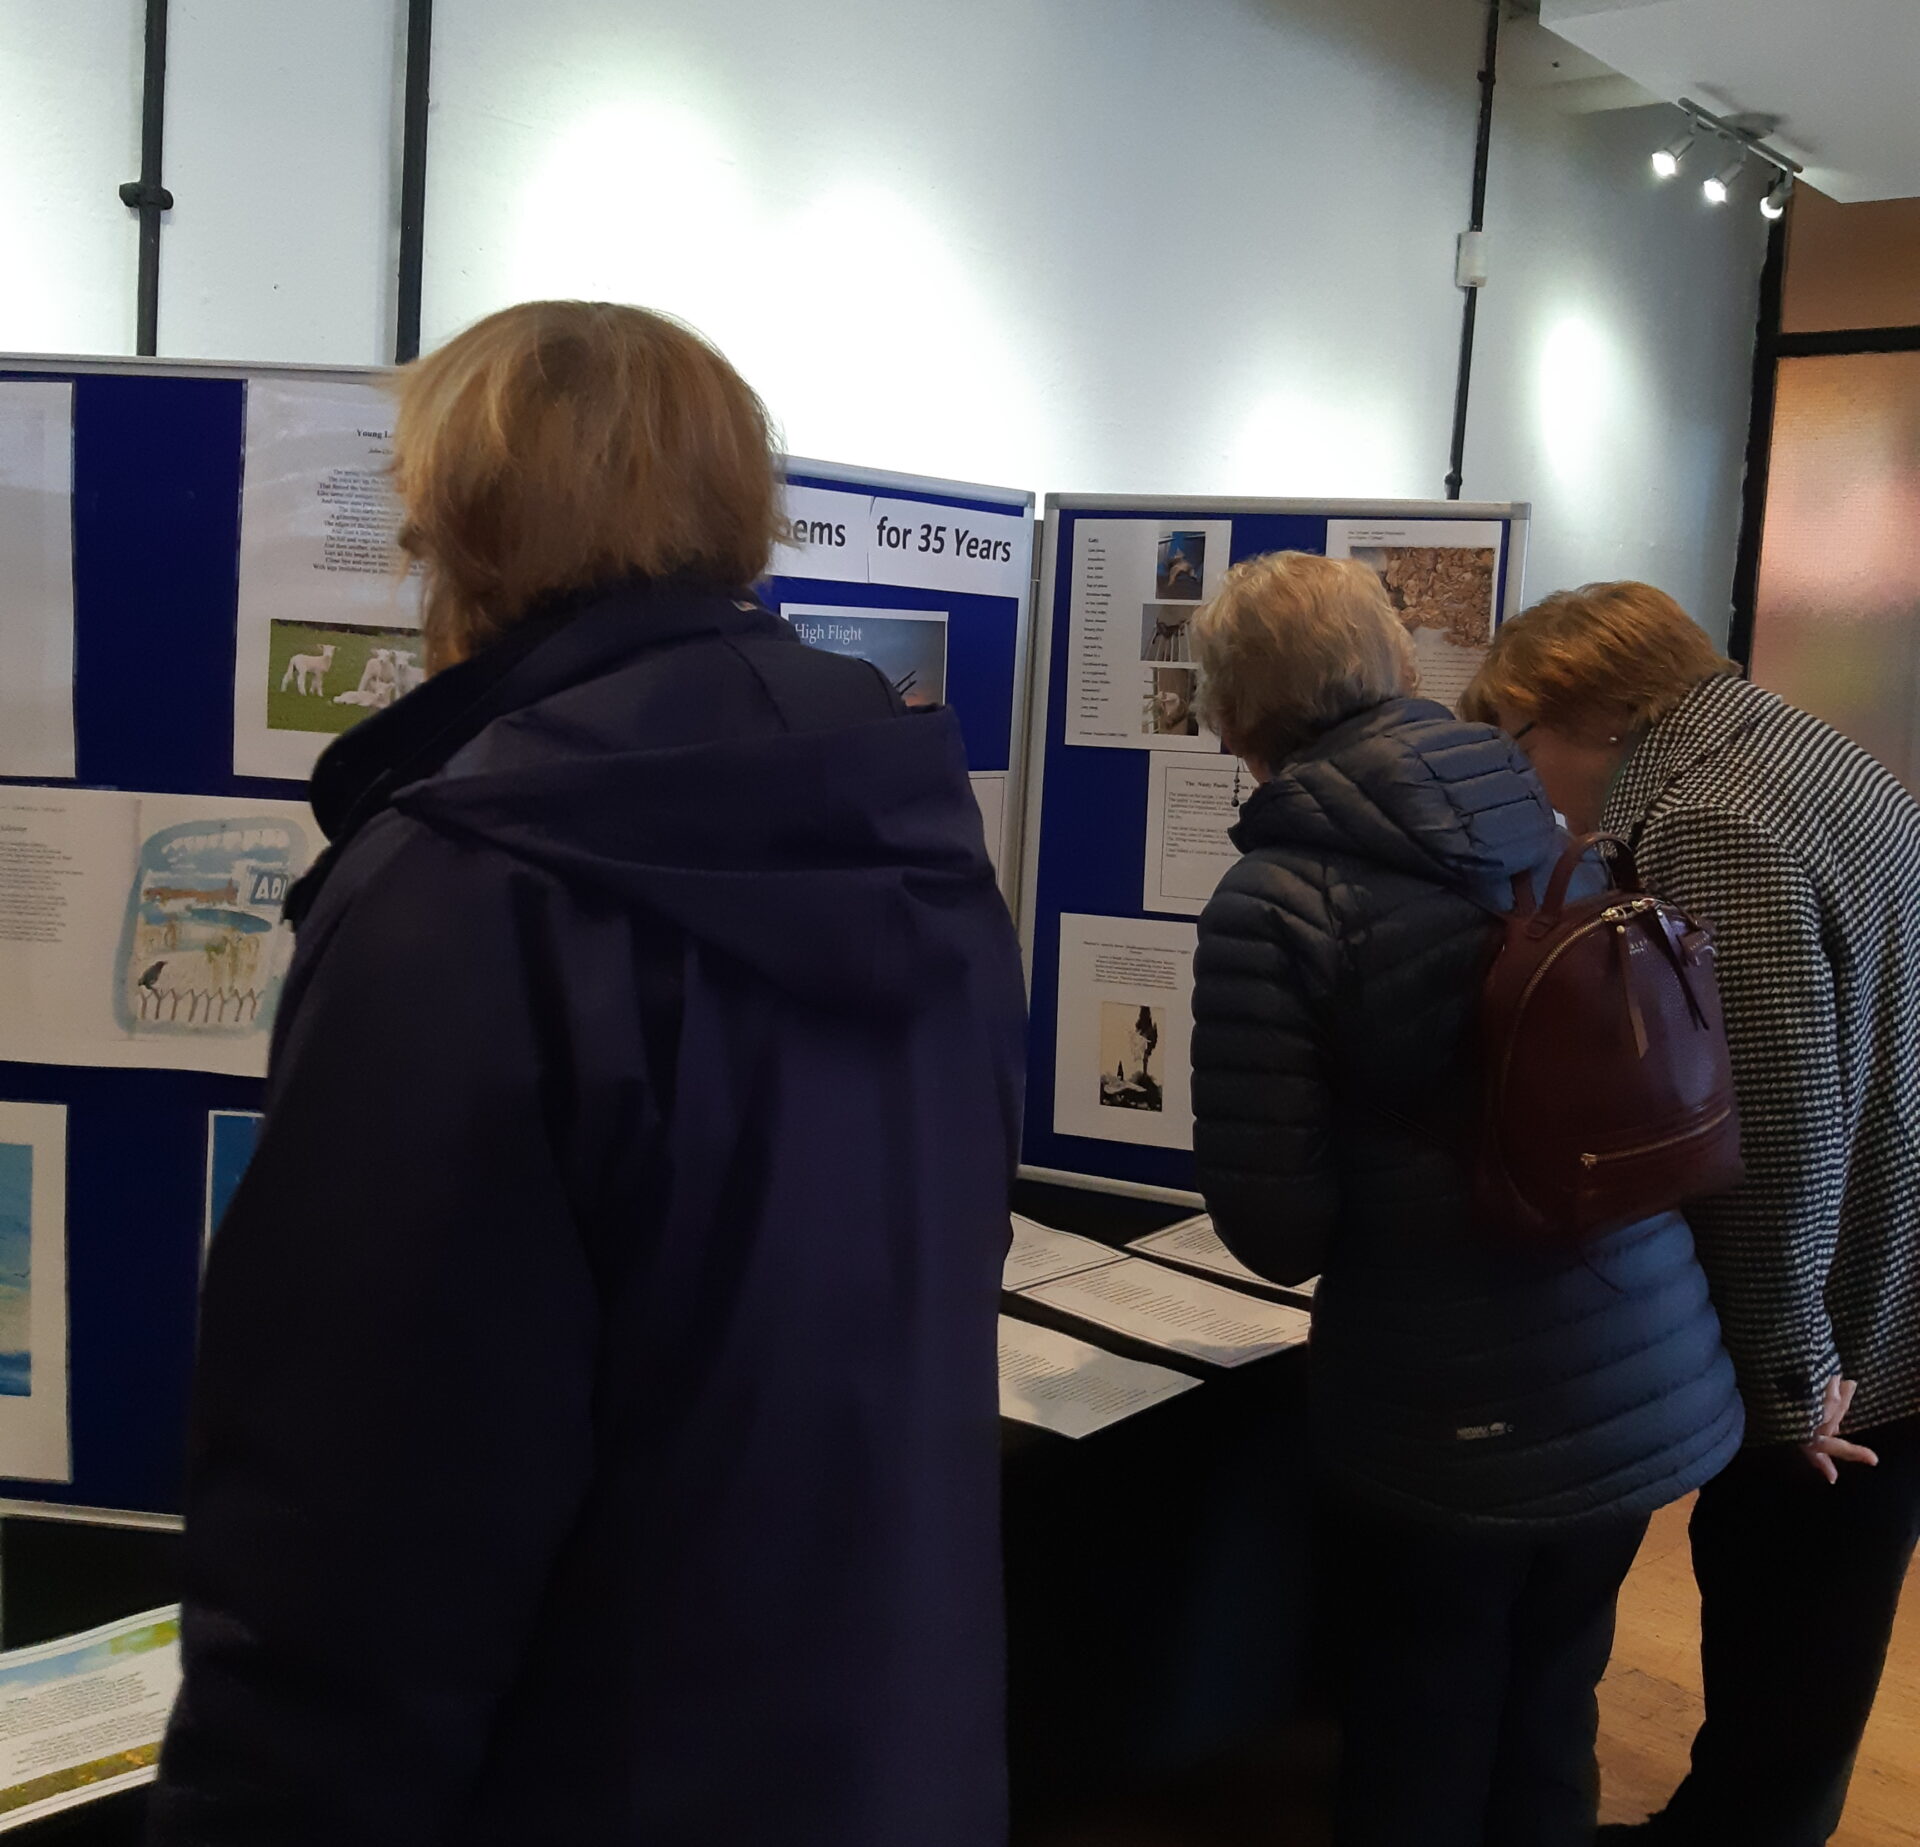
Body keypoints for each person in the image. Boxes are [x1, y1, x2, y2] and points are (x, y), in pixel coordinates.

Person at [148, 302, 1028, 1847]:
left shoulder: (469, 885)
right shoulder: (918, 840)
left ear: (455, 524)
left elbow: (366, 1506)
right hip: (888, 1740)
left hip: (591, 1770)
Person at [1186, 553, 1743, 1847]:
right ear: (1395, 663)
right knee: (1552, 1699)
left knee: (1419, 1724)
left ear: (1237, 712)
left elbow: (1276, 1231)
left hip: (1448, 1409)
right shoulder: (1544, 822)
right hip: (1639, 1349)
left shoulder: (1273, 898)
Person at [1463, 582, 1920, 1847]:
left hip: (1838, 1314)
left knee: (1791, 1621)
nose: (1528, 778)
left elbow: (1767, 1125)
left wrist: (1788, 1376)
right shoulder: (1798, 746)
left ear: (1593, 709)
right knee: (1811, 1639)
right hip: (1887, 1251)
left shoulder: (1712, 815)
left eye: (1518, 737)